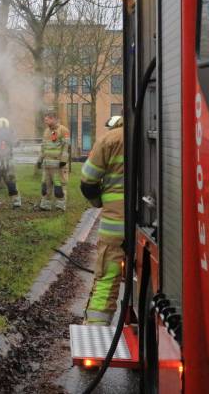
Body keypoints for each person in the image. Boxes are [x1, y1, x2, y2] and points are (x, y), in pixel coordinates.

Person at [80, 115, 125, 325]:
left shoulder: (110, 140)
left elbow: (88, 181)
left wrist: (98, 202)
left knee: (108, 274)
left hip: (116, 224)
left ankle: (96, 327)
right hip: (157, 226)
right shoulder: (165, 133)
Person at [37, 108, 71, 211]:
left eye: (48, 118)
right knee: (45, 186)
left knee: (59, 186)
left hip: (58, 165)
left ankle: (60, 206)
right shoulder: (46, 131)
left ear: (54, 118)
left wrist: (63, 160)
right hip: (47, 165)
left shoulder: (63, 130)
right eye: (45, 118)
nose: (45, 120)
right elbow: (43, 147)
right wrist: (40, 160)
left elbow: (66, 146)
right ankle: (45, 205)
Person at [0, 117, 21, 208]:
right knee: (0, 181)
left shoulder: (4, 133)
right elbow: (17, 143)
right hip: (1, 161)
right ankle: (15, 201)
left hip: (1, 161)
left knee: (4, 181)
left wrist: (8, 139)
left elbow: (16, 143)